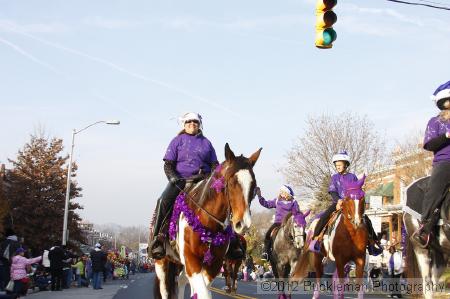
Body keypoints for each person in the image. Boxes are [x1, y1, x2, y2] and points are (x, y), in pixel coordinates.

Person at [149, 112, 219, 259]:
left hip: (202, 181)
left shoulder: (207, 143)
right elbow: (168, 165)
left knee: (224, 200)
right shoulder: (177, 141)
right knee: (162, 201)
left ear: (199, 124)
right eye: (189, 122)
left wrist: (213, 181)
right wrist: (173, 178)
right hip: (180, 181)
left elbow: (215, 165)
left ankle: (230, 241)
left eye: (195, 122)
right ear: (184, 124)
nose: (192, 124)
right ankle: (158, 240)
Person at [310, 151, 382, 255]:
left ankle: (373, 243)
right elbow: (332, 191)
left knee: (366, 219)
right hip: (338, 203)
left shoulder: (352, 177)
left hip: (351, 204)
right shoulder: (334, 177)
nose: (338, 166)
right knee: (324, 217)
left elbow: (357, 190)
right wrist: (338, 200)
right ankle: (316, 239)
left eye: (340, 164)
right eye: (336, 165)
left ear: (346, 164)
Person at [412, 81, 450, 248]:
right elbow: (429, 145)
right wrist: (447, 136)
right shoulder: (435, 121)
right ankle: (425, 227)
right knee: (435, 191)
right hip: (444, 161)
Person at [256, 185, 309, 260]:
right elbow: (266, 204)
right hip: (278, 223)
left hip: (289, 224)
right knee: (267, 234)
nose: (281, 193)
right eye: (280, 192)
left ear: (287, 194)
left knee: (303, 234)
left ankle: (305, 251)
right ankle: (266, 252)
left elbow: (296, 213)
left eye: (283, 192)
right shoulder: (277, 201)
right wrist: (259, 196)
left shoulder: (293, 202)